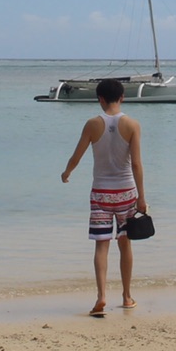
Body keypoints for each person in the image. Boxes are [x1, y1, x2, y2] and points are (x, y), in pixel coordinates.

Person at [61, 78, 146, 317]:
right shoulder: (132, 124)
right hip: (126, 192)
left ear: (100, 98)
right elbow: (137, 164)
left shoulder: (92, 124)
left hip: (101, 193)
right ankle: (127, 297)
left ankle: (101, 297)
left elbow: (76, 155)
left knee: (101, 245)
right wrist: (141, 196)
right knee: (125, 243)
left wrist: (67, 172)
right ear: (122, 97)